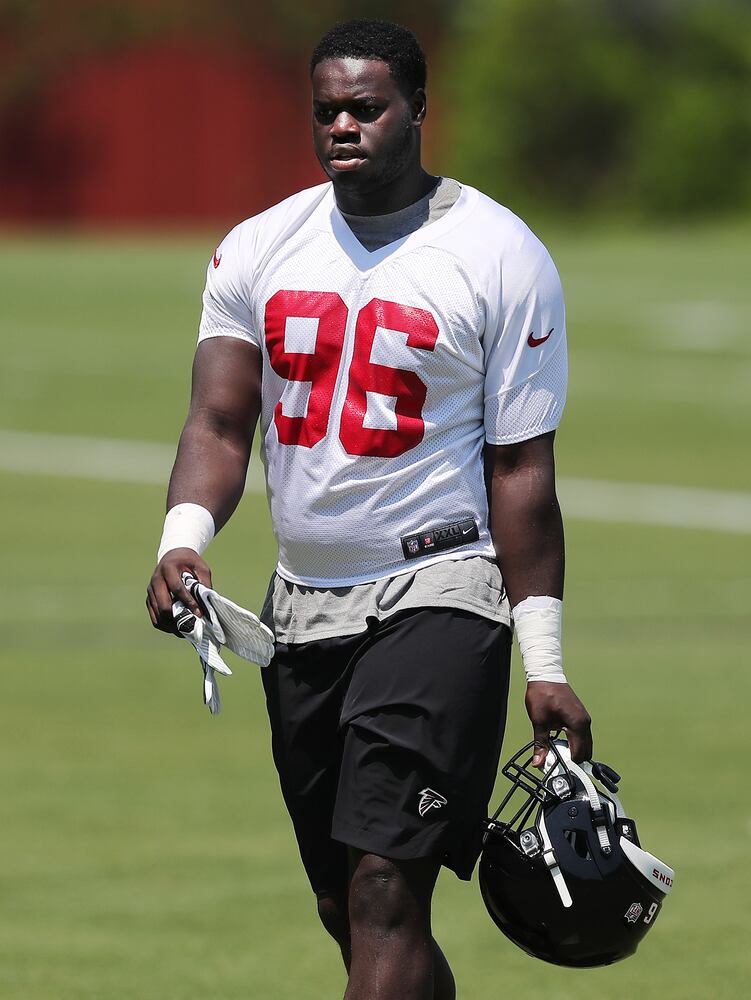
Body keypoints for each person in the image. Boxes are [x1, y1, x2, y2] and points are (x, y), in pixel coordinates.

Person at [146, 18, 592, 1000]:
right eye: (326, 111)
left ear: (421, 110)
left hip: (442, 589)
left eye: (367, 107)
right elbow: (220, 423)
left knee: (387, 887)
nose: (343, 126)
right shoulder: (258, 248)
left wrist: (544, 660)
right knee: (347, 908)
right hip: (303, 605)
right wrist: (183, 541)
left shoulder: (499, 253)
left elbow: (521, 471)